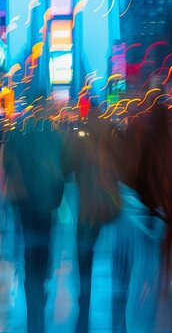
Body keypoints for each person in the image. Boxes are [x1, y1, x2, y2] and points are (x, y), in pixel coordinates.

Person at [3, 107, 64, 333]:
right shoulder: (52, 134)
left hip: (26, 203)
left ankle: (33, 289)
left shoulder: (19, 134)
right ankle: (40, 279)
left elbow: (8, 165)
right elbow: (63, 168)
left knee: (30, 248)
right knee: (44, 243)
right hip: (45, 203)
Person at [61, 107, 122, 332]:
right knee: (112, 253)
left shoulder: (81, 136)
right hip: (110, 204)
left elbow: (66, 167)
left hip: (89, 207)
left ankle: (84, 298)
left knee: (84, 252)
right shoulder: (112, 134)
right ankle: (114, 301)